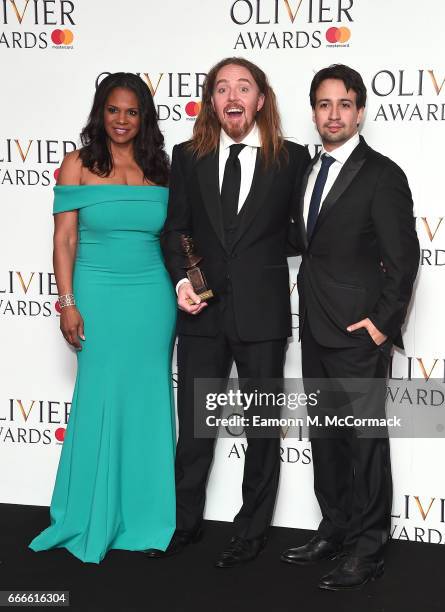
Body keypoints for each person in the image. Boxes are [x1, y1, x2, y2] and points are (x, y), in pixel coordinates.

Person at [146, 57, 310, 568]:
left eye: (244, 87)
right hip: (202, 315)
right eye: (222, 88)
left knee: (262, 428)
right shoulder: (188, 158)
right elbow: (177, 230)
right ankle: (183, 522)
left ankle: (252, 530)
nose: (233, 96)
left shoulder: (293, 158)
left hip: (262, 318)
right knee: (195, 429)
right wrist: (188, 282)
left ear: (261, 99)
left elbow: (303, 231)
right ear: (211, 100)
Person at [281, 64, 420, 589]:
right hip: (315, 329)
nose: (332, 114)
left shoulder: (383, 174)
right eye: (323, 104)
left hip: (360, 336)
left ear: (360, 111)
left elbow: (405, 259)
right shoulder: (308, 170)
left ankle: (369, 547)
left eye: (343, 104)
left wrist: (383, 326)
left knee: (365, 442)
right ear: (314, 111)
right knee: (326, 440)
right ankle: (335, 528)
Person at [29, 73, 176, 564]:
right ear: (100, 112)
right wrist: (67, 302)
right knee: (99, 394)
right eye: (113, 110)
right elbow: (64, 239)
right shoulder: (77, 164)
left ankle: (144, 519)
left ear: (144, 117)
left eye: (131, 112)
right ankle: (88, 514)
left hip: (152, 299)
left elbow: (174, 240)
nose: (121, 120)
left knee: (148, 400)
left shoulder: (161, 166)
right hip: (96, 292)